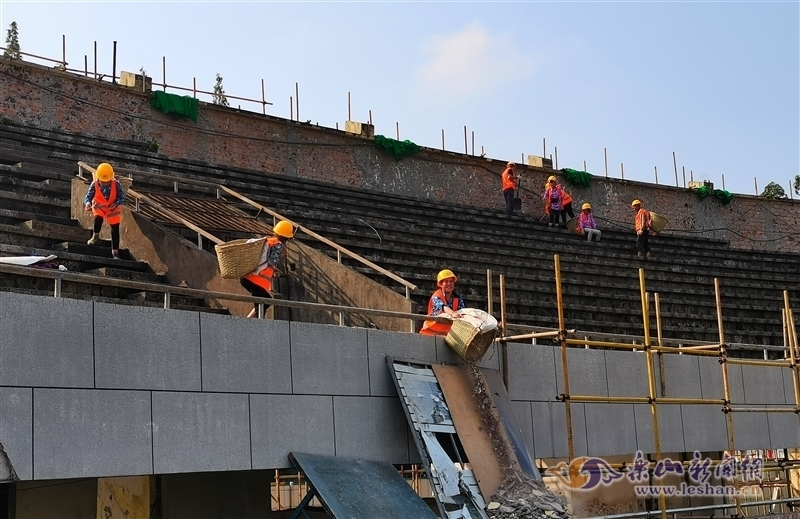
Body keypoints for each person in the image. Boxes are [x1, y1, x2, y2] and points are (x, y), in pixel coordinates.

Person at [240, 220, 295, 318]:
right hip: (255, 279)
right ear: (287, 237)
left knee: (264, 301)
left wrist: (274, 269)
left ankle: (248, 321)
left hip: (247, 277)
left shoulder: (268, 241)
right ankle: (251, 323)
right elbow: (272, 261)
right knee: (264, 301)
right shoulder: (278, 245)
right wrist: (274, 271)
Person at [84, 162, 126, 259]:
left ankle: (115, 252)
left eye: (107, 181)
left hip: (112, 208)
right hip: (99, 206)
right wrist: (88, 204)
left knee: (115, 229)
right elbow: (88, 196)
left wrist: (116, 203)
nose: (105, 183)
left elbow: (122, 196)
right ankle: (95, 236)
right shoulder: (94, 184)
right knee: (98, 218)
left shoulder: (116, 184)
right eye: (103, 181)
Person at [419, 269, 464, 336]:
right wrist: (453, 313)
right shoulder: (436, 296)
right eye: (446, 281)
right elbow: (443, 307)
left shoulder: (458, 298)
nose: (449, 284)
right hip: (430, 333)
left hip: (449, 334)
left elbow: (463, 311)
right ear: (441, 284)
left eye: (451, 281)